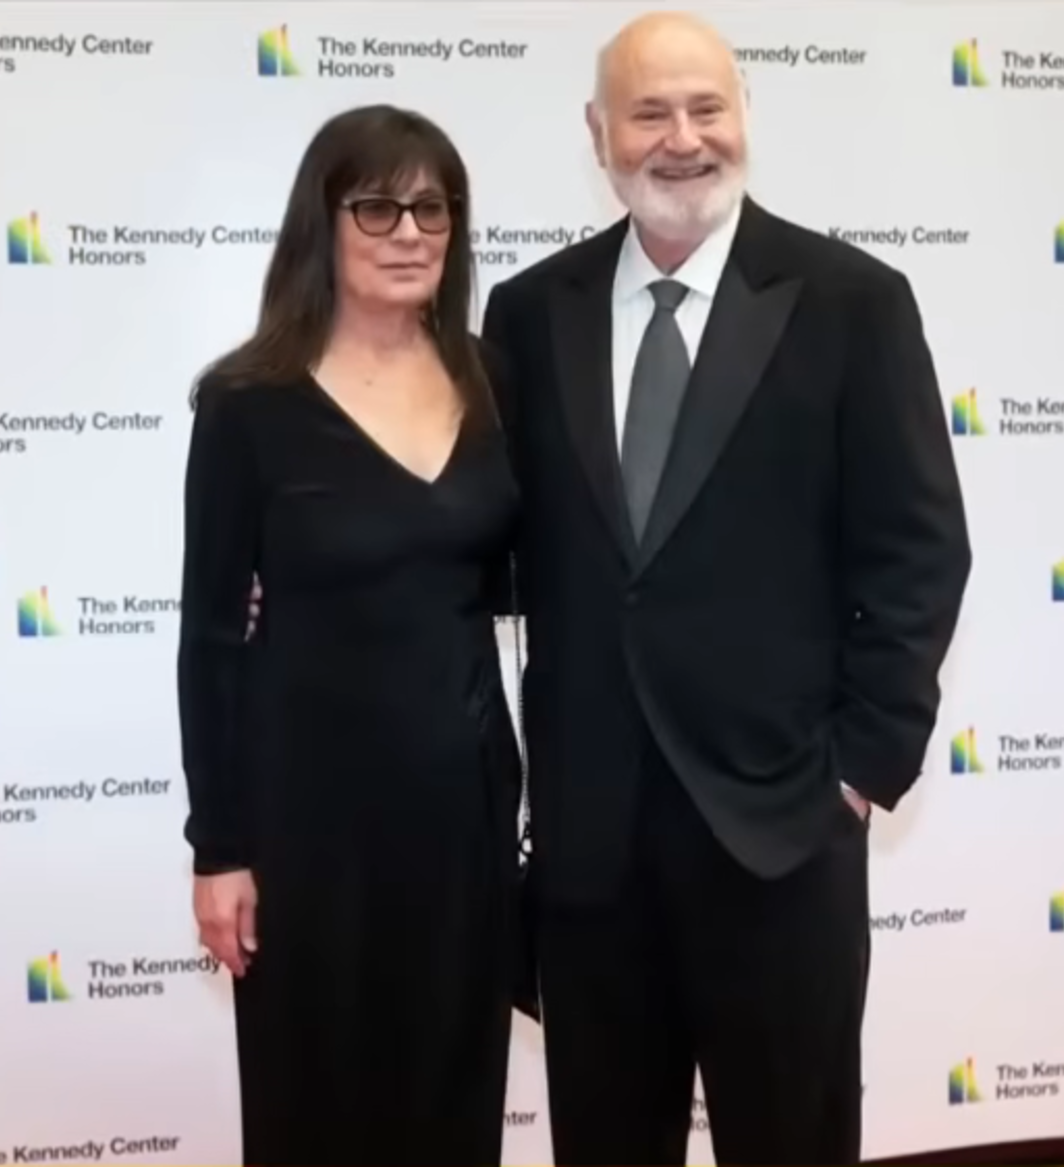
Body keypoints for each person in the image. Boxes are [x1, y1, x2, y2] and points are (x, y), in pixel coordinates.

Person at [481, 12, 971, 1166]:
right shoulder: (526, 313)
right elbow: (496, 541)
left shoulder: (853, 301)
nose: (682, 138)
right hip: (591, 849)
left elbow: (918, 549)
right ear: (598, 132)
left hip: (783, 834)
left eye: (706, 107)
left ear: (746, 113)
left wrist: (861, 770)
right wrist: (304, 590)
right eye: (650, 112)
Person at [176, 104, 521, 1167]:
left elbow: (529, 575)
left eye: (434, 206)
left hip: (462, 809)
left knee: (452, 1095)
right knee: (313, 1104)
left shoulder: (492, 379)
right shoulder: (247, 404)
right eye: (377, 204)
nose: (409, 230)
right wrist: (220, 848)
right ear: (320, 221)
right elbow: (209, 638)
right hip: (305, 823)